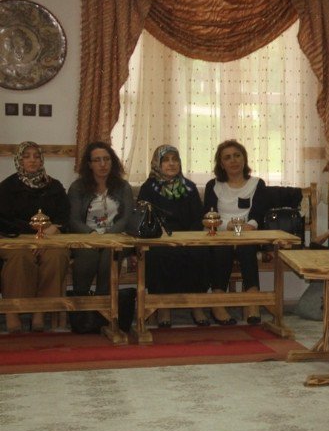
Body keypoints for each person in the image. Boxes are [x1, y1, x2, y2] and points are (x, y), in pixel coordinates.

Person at [0, 142, 70, 333]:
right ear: (19, 160)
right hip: (16, 238)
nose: (32, 160)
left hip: (49, 239)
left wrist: (54, 228)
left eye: (36, 156)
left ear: (42, 159)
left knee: (57, 257)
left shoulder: (53, 186)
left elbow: (64, 214)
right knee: (20, 257)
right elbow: (4, 220)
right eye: (26, 156)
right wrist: (32, 238)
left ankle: (40, 311)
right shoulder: (7, 187)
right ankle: (12, 312)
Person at [138, 145, 210, 328]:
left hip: (188, 237)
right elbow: (143, 216)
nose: (171, 163)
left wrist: (187, 238)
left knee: (198, 253)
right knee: (160, 255)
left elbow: (197, 218)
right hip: (159, 238)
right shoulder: (148, 188)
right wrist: (163, 235)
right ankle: (163, 307)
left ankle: (196, 304)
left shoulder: (189, 188)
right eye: (166, 160)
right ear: (157, 164)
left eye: (175, 159)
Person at [203, 139, 267, 325]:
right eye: (227, 157)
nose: (233, 160)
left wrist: (248, 227)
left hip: (247, 233)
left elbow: (258, 214)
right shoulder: (213, 185)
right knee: (222, 248)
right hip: (220, 233)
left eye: (237, 155)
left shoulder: (257, 183)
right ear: (221, 163)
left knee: (246, 247)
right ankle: (218, 303)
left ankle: (252, 303)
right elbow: (209, 216)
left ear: (244, 159)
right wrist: (226, 228)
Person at [67, 142, 133, 299]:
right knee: (87, 255)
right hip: (87, 237)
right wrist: (92, 235)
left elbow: (127, 218)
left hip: (118, 237)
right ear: (89, 164)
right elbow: (73, 220)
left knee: (109, 256)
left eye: (106, 159)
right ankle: (81, 301)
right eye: (97, 160)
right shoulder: (77, 187)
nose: (103, 164)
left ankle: (104, 305)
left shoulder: (123, 187)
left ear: (112, 162)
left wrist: (109, 236)